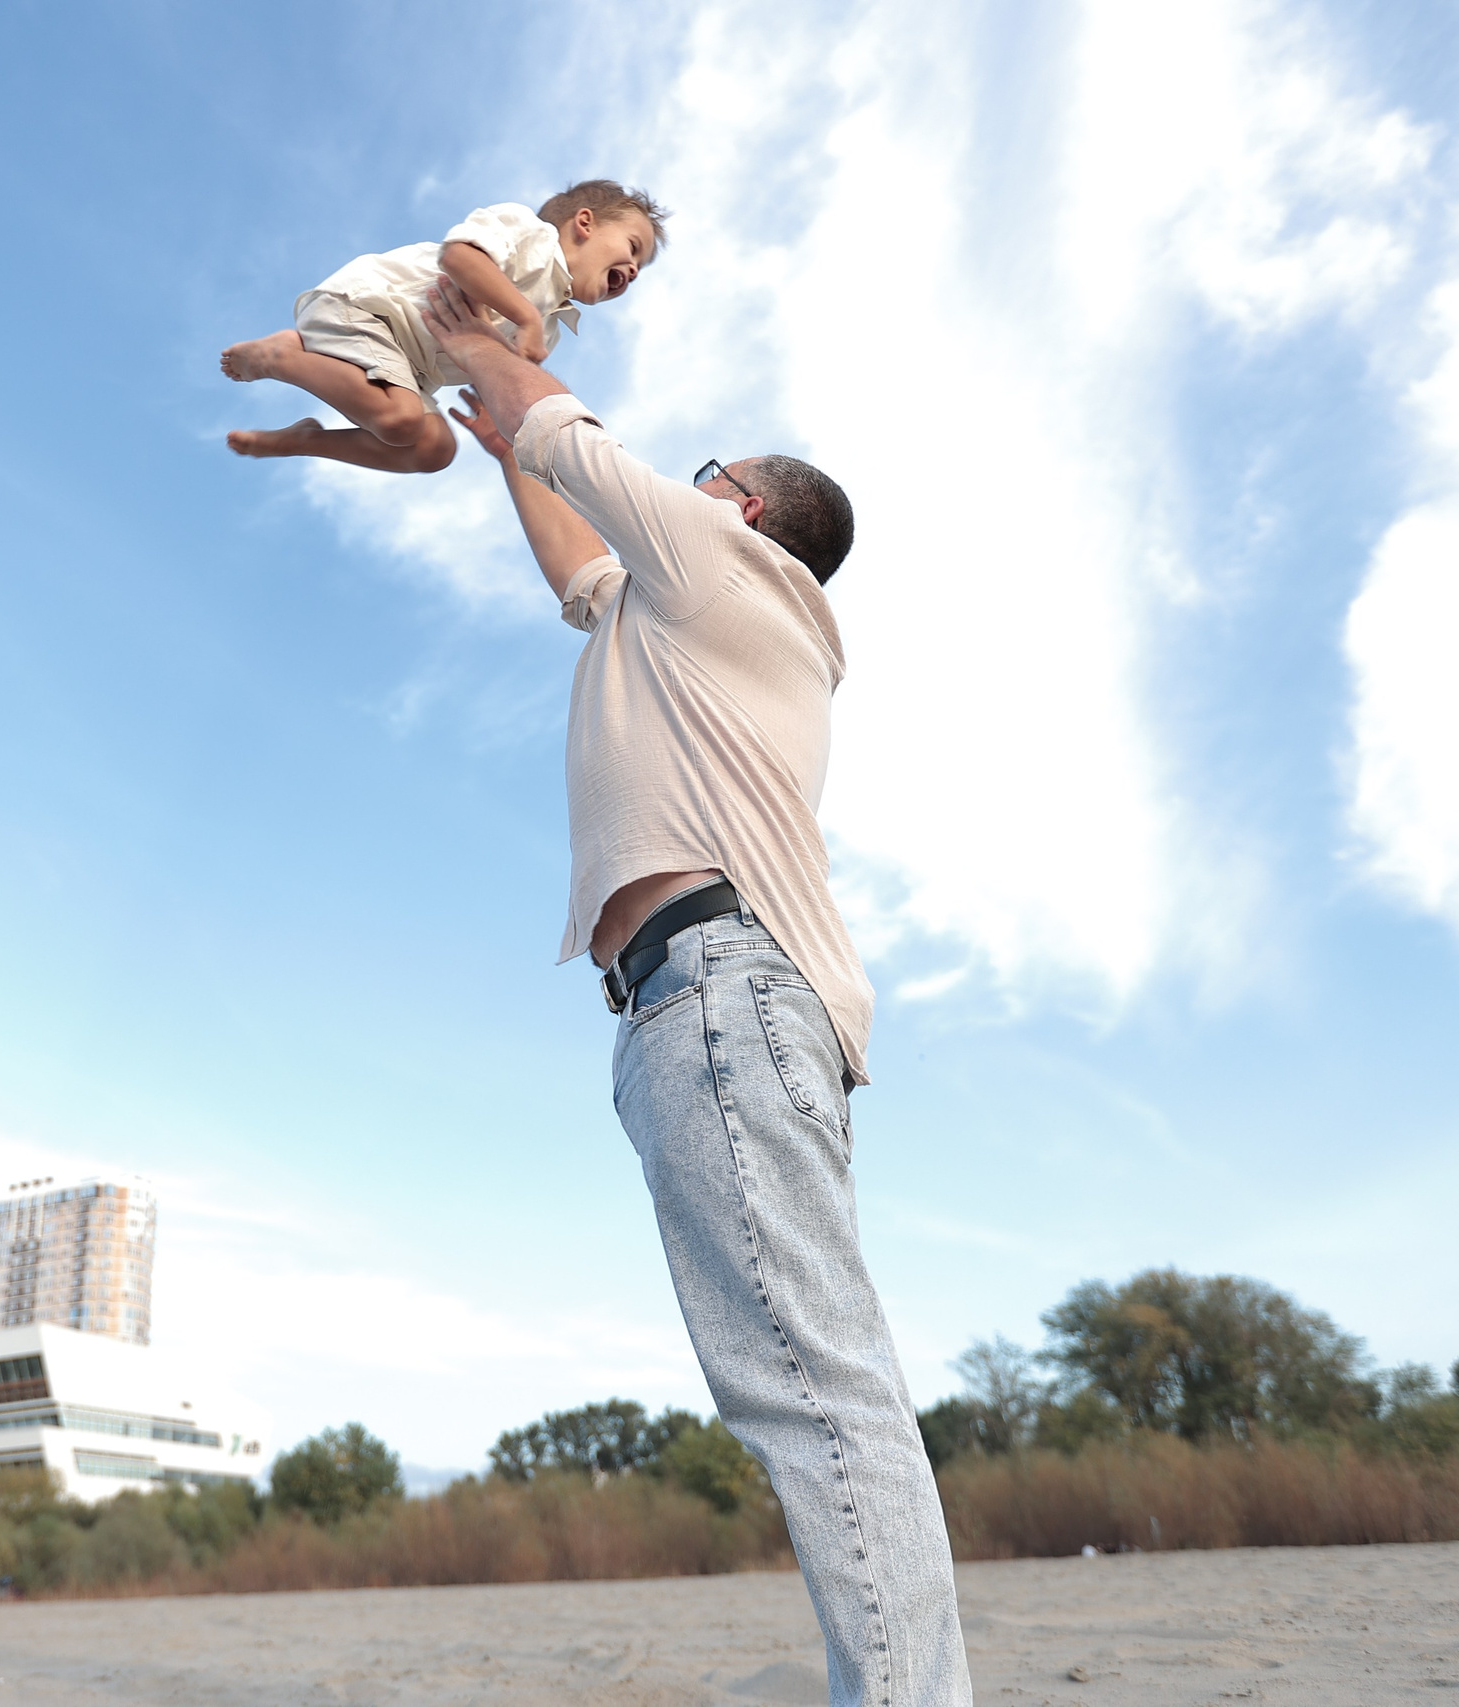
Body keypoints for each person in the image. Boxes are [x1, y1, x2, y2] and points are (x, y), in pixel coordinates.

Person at [425, 275, 974, 1706]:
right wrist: (502, 437)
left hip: (725, 995)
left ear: (740, 511)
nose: (682, 483)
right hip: (694, 1009)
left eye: (705, 473)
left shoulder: (738, 577)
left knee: (816, 1387)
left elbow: (579, 449)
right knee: (813, 1382)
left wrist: (463, 336)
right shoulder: (663, 617)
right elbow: (569, 553)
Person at [219, 180, 665, 475]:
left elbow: (496, 368)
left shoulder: (549, 326)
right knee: (400, 419)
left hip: (409, 366)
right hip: (370, 309)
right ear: (584, 224)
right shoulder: (529, 234)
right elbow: (460, 257)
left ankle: (307, 440)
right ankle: (279, 358)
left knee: (434, 450)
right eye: (633, 247)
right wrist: (524, 318)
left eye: (641, 264)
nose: (635, 270)